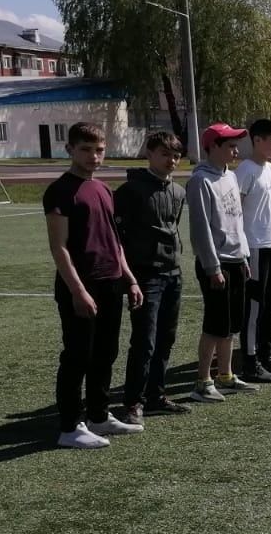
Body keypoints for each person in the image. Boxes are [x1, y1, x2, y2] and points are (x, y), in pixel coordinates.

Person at [42, 121, 146, 448]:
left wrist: (129, 279)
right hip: (81, 287)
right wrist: (78, 290)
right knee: (78, 356)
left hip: (111, 283)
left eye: (98, 150)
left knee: (105, 353)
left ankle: (99, 417)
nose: (93, 156)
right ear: (69, 149)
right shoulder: (60, 191)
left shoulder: (102, 189)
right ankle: (70, 427)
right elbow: (59, 247)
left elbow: (115, 243)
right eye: (85, 149)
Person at [113, 130, 189, 422]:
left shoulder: (178, 191)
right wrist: (129, 276)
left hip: (173, 274)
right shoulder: (131, 191)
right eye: (165, 154)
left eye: (176, 155)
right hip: (146, 277)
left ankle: (156, 395)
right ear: (150, 154)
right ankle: (133, 401)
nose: (171, 160)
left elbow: (172, 230)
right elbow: (118, 236)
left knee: (166, 339)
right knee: (144, 340)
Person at [185, 122, 256, 402]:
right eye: (230, 145)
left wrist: (244, 256)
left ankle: (225, 376)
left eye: (236, 145)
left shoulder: (230, 176)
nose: (236, 150)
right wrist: (213, 267)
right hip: (216, 264)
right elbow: (201, 228)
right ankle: (203, 381)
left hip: (236, 259)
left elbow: (237, 220)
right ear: (213, 146)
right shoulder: (201, 180)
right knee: (215, 325)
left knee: (231, 324)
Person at [236, 118, 271, 382]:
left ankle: (267, 354)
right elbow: (236, 211)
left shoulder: (270, 169)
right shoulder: (245, 170)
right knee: (255, 308)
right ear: (257, 140)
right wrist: (243, 248)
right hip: (255, 246)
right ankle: (249, 361)